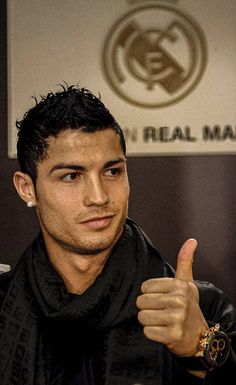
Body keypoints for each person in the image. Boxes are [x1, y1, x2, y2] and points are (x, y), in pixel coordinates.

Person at [0, 84, 235, 385]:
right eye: (71, 176)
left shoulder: (200, 307)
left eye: (112, 171)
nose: (98, 197)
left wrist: (203, 349)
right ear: (26, 188)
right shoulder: (4, 304)